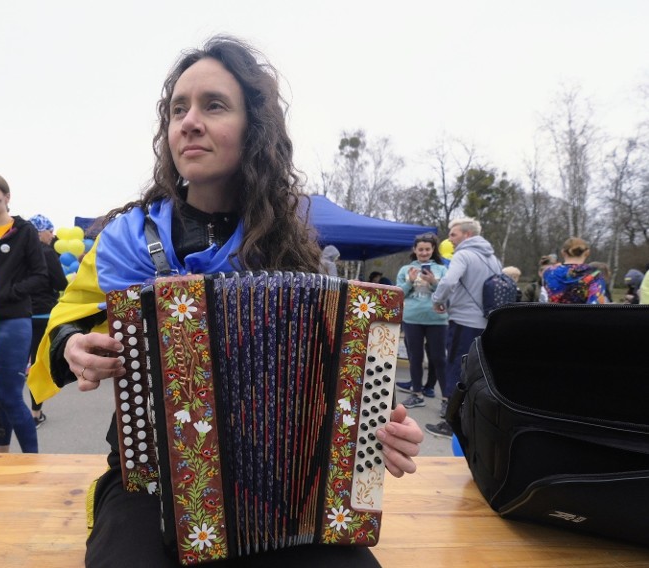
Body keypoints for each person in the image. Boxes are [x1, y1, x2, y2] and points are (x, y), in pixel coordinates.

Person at [28, 36, 423, 568]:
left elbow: (342, 388)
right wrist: (72, 345)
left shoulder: (290, 245)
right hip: (153, 480)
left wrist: (381, 434)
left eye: (213, 105)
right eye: (177, 109)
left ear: (253, 130)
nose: (189, 121)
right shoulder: (125, 237)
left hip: (282, 486)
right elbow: (63, 325)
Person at [0, 173, 47, 453]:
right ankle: (1, 452)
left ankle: (31, 458)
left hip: (13, 322)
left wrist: (5, 292)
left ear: (6, 197)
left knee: (11, 396)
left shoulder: (23, 230)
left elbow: (41, 276)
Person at [427, 218, 502, 439]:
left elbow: (449, 281)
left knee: (456, 368)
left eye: (453, 234)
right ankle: (473, 421)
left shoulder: (464, 254)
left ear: (467, 235)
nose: (450, 239)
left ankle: (452, 424)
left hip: (463, 321)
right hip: (486, 321)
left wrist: (437, 299)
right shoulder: (493, 259)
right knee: (477, 370)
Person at [394, 233, 448, 408]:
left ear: (433, 250)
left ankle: (447, 400)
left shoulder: (442, 270)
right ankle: (416, 394)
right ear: (414, 250)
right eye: (421, 249)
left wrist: (433, 282)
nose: (424, 253)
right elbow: (398, 294)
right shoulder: (405, 270)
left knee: (439, 359)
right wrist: (410, 281)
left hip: (437, 320)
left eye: (428, 249)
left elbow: (448, 293)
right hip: (412, 319)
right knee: (415, 358)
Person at [26, 214, 67, 427]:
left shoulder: (20, 253)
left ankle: (11, 413)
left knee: (15, 366)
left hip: (19, 314)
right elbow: (60, 282)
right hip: (43, 314)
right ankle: (35, 414)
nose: (52, 236)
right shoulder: (47, 253)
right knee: (37, 364)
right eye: (49, 231)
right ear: (40, 232)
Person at [542, 237, 608, 304]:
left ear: (563, 252)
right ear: (587, 253)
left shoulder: (548, 273)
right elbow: (596, 304)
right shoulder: (595, 275)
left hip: (552, 314)